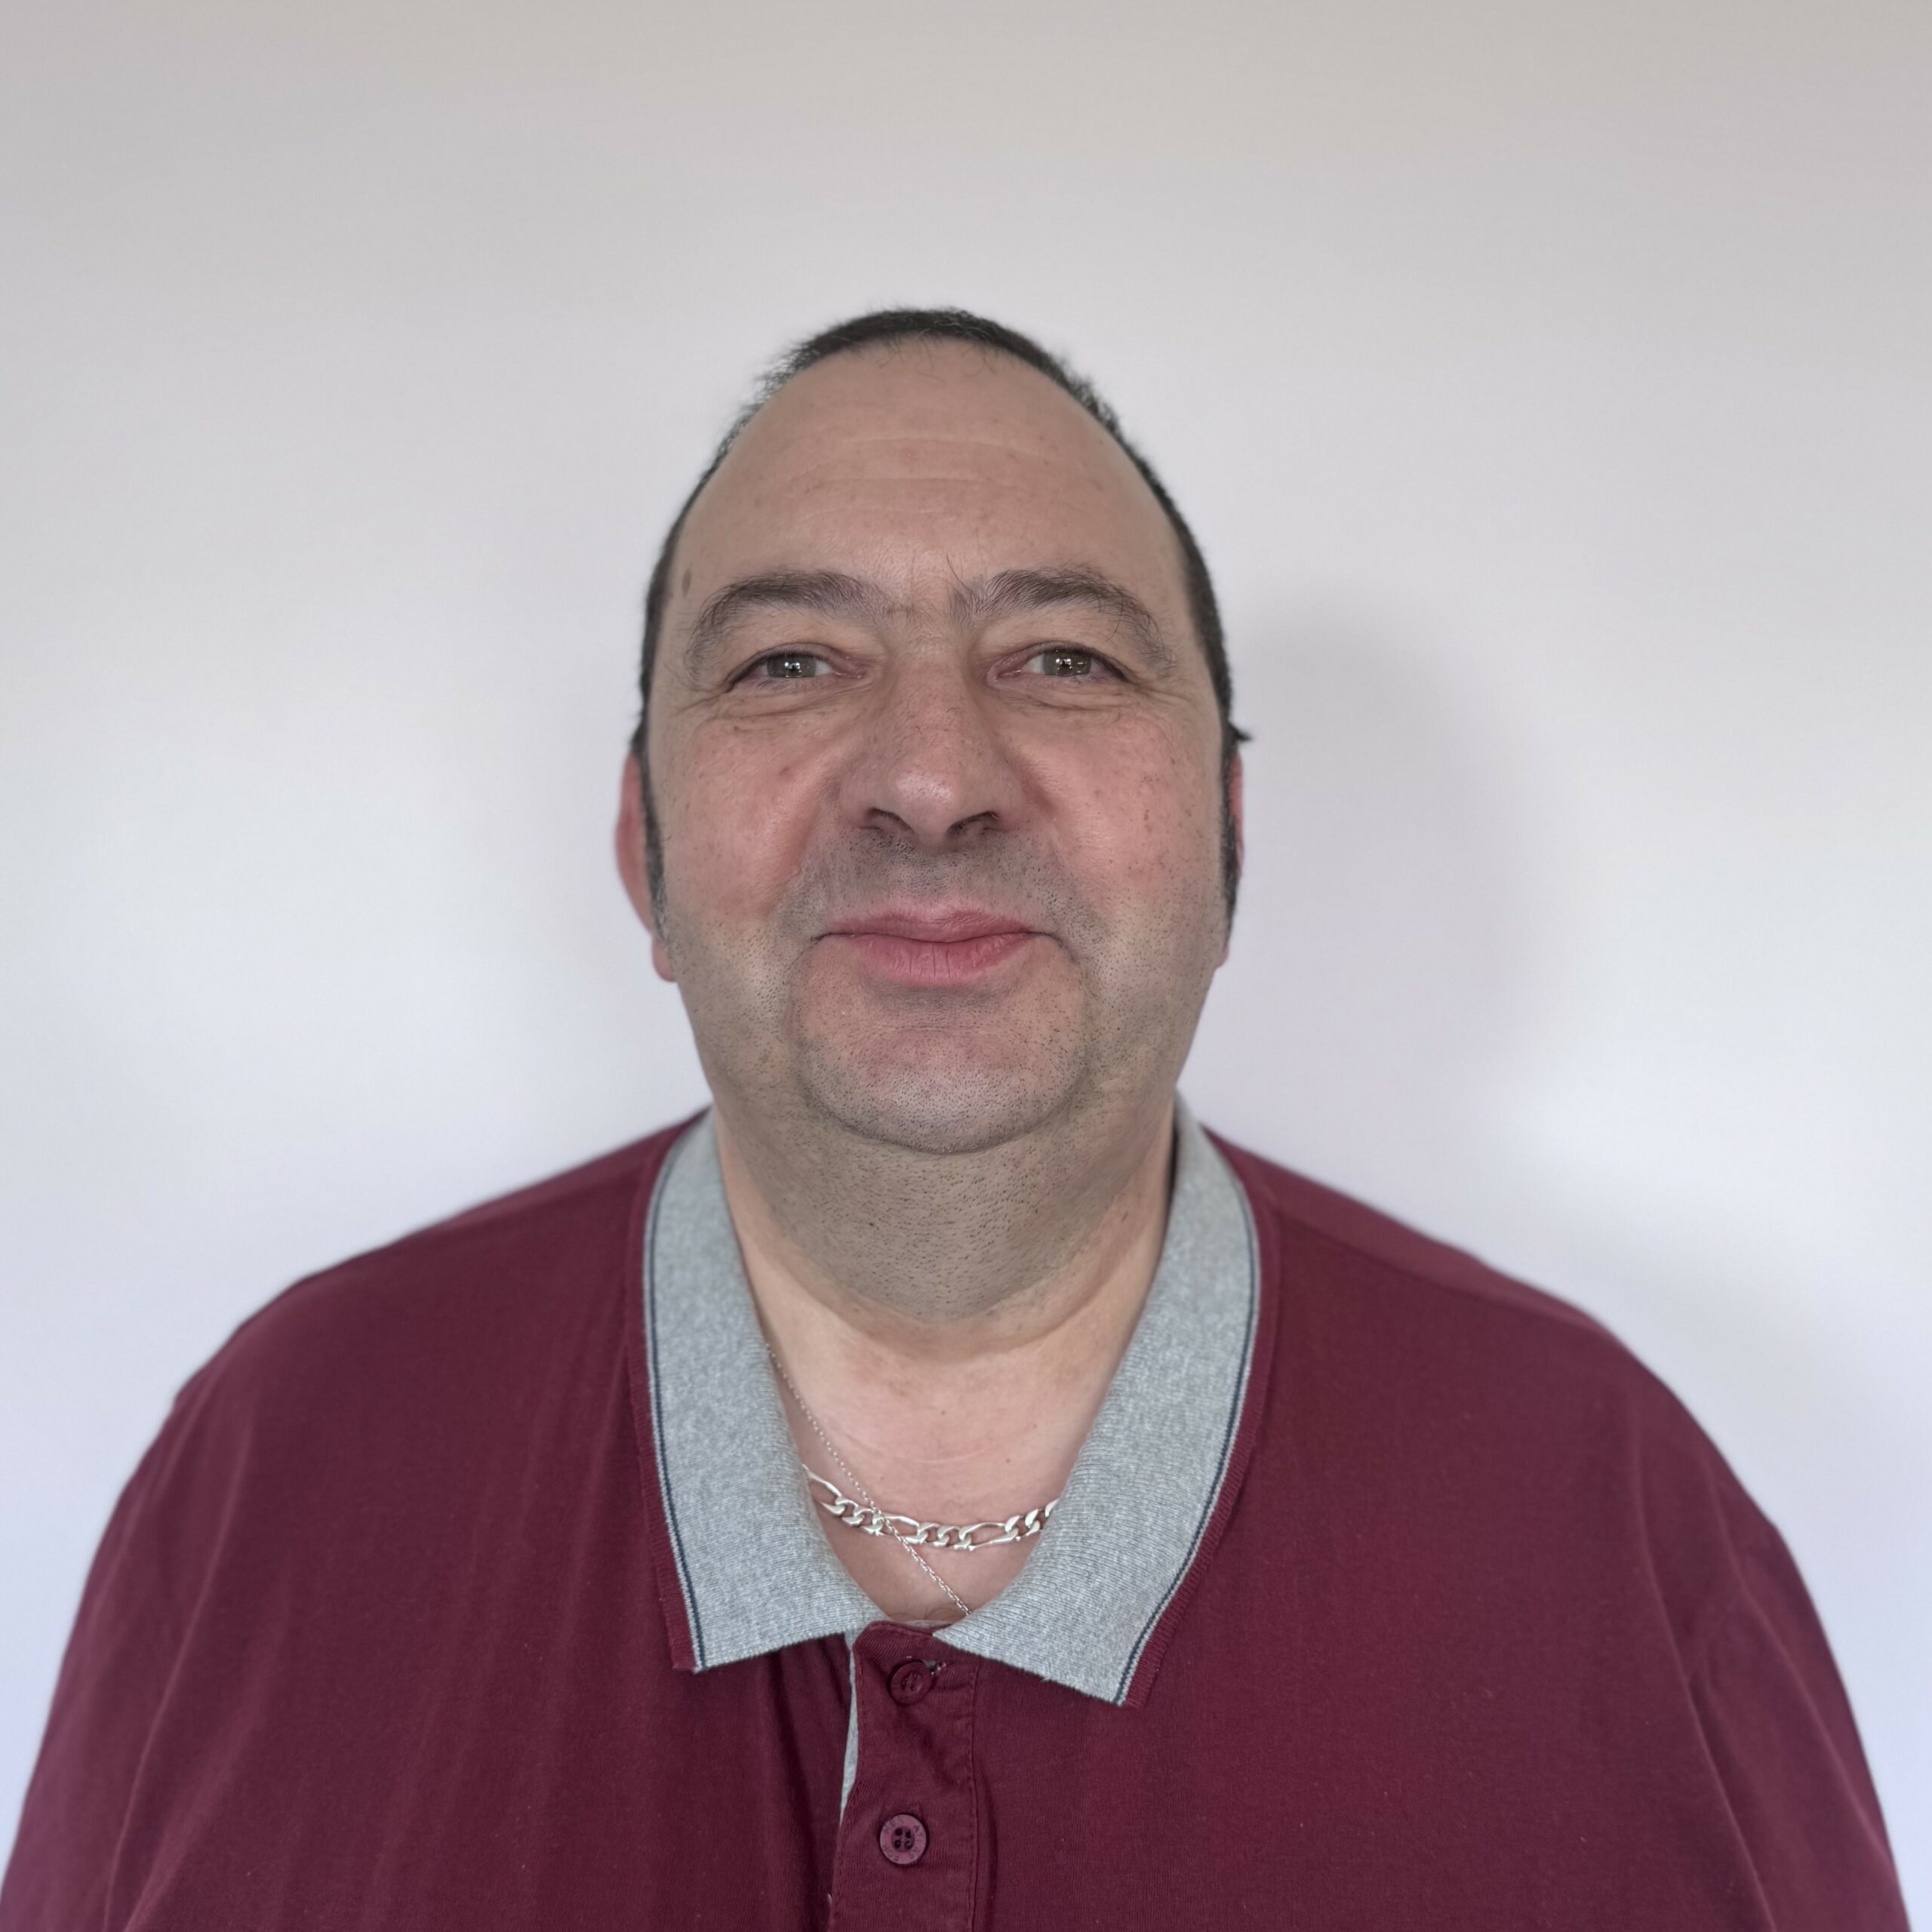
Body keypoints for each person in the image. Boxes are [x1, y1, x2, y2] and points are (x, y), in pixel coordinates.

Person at [1, 309, 1908, 1930]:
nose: (928, 776)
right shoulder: (281, 1457)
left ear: (1227, 840)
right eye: (789, 661)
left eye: (1061, 656)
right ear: (643, 846)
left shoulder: (1608, 1511)